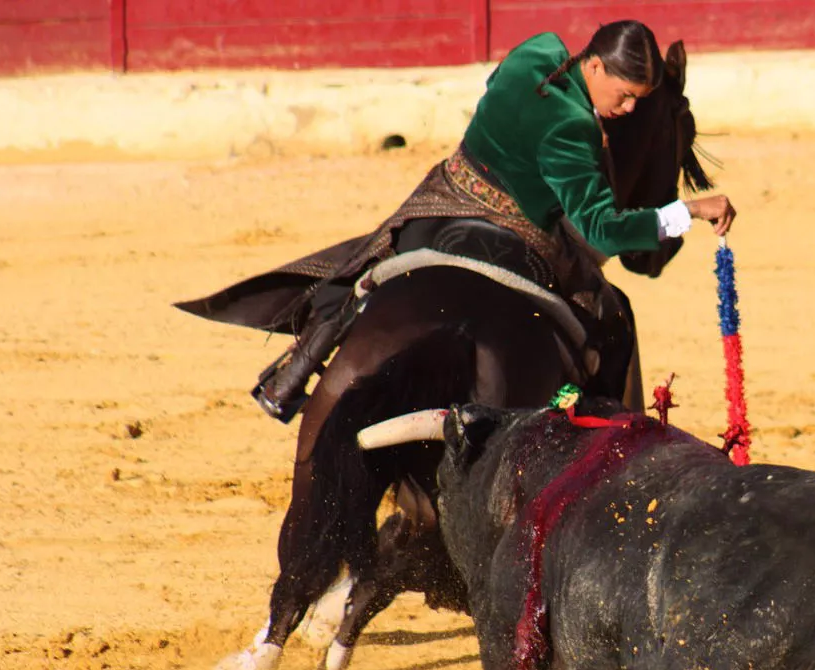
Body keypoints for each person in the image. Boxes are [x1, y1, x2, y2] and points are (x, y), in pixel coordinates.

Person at [230, 21, 736, 422]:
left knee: (372, 262)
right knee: (607, 317)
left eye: (635, 102)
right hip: (520, 228)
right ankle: (597, 443)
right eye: (623, 95)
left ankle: (293, 373)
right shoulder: (575, 130)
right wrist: (684, 211)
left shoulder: (535, 52)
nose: (625, 110)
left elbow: (496, 85)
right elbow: (602, 230)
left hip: (445, 195)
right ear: (596, 66)